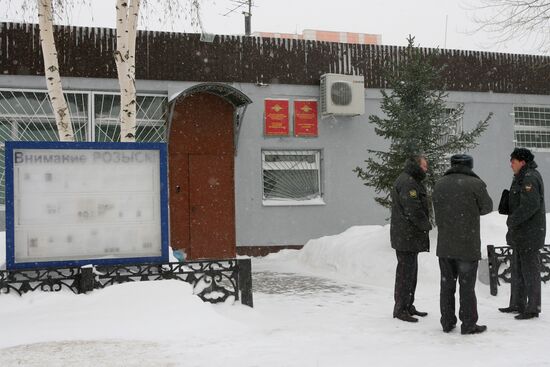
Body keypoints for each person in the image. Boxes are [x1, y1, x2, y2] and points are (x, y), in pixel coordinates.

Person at [432, 154, 493, 334]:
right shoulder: (475, 184)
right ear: (470, 166)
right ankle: (468, 324)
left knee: (446, 286)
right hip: (467, 245)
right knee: (467, 288)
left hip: (445, 245)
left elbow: (436, 208)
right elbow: (487, 207)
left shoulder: (439, 184)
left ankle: (447, 321)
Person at [498, 148, 545, 320]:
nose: (511, 164)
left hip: (530, 233)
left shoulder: (530, 177)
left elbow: (530, 205)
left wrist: (512, 220)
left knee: (530, 271)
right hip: (520, 233)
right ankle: (517, 303)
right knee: (518, 270)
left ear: (522, 162)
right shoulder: (520, 178)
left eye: (513, 161)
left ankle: (532, 308)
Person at [390, 155, 431, 323]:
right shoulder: (408, 182)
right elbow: (412, 209)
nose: (426, 169)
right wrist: (426, 225)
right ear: (416, 166)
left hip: (407, 236)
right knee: (405, 274)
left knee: (410, 273)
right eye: (424, 166)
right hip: (406, 236)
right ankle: (400, 309)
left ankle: (408, 305)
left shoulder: (409, 179)